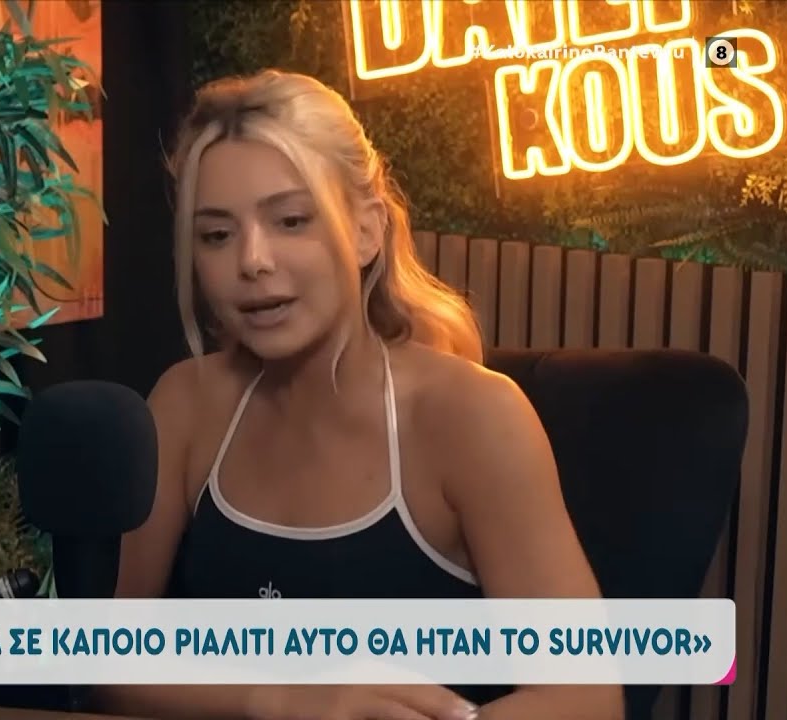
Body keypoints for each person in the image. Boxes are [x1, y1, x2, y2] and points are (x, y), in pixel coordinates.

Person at [94, 70, 624, 720]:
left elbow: (587, 699)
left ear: (367, 231)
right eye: (216, 235)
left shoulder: (474, 417)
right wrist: (281, 702)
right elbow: (105, 663)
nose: (252, 260)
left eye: (291, 220)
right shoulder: (186, 404)